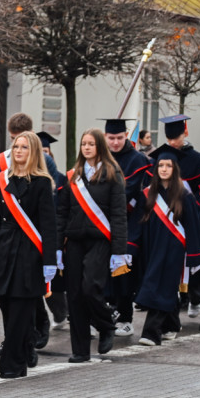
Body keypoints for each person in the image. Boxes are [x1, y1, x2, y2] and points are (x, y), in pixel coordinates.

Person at [0, 132, 57, 379]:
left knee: (20, 309)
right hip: (4, 249)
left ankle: (12, 365)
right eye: (16, 146)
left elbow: (48, 225)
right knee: (6, 305)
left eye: (24, 147)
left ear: (33, 151)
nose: (18, 150)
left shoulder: (41, 182)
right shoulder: (3, 179)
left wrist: (49, 261)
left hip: (29, 253)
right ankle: (26, 348)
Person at [56, 129, 127, 362]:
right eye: (83, 144)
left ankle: (106, 325)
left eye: (91, 144)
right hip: (75, 240)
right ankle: (80, 350)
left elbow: (118, 215)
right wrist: (57, 247)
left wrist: (119, 251)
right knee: (74, 295)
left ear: (100, 147)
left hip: (100, 240)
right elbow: (62, 213)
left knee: (90, 288)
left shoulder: (112, 174)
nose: (86, 148)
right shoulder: (72, 176)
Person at [135, 145, 200, 345]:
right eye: (161, 165)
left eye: (168, 165)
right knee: (164, 287)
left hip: (174, 250)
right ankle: (171, 324)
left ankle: (150, 333)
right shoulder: (148, 194)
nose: (164, 169)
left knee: (160, 286)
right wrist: (132, 246)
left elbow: (193, 227)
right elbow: (138, 223)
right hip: (152, 248)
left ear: (175, 169)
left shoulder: (185, 196)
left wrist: (195, 255)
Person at [154, 116, 200, 325]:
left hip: (191, 217)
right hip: (166, 218)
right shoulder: (163, 157)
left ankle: (195, 295)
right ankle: (173, 307)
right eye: (169, 138)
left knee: (194, 262)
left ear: (185, 133)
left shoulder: (198, 161)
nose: (172, 142)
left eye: (176, 137)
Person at [103, 118, 152, 336]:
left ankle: (125, 316)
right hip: (102, 223)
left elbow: (133, 192)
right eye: (111, 138)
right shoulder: (100, 158)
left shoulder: (139, 160)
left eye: (119, 138)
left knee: (124, 270)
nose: (115, 143)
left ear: (126, 136)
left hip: (130, 224)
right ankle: (105, 311)